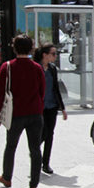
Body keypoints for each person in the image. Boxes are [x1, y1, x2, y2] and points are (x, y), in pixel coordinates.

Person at [0, 35, 46, 188]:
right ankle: (33, 186)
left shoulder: (7, 67)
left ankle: (7, 177)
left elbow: (0, 94)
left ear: (14, 48)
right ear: (31, 48)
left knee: (11, 146)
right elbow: (42, 91)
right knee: (35, 149)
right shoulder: (37, 68)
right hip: (35, 113)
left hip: (15, 114)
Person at [34, 44, 67, 175]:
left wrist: (62, 108)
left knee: (50, 134)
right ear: (45, 55)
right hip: (39, 107)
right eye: (53, 54)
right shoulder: (36, 68)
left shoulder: (53, 68)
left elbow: (56, 89)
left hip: (52, 106)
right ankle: (35, 151)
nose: (55, 56)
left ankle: (46, 163)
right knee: (43, 133)